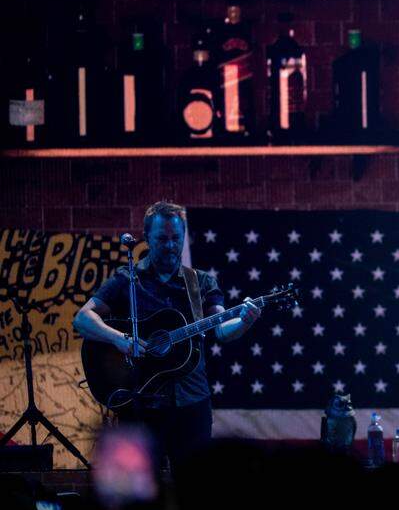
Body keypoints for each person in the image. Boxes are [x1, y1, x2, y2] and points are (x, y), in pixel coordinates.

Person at [74, 201, 261, 472]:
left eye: (176, 238)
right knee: (141, 490)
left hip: (192, 403)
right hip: (141, 404)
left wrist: (244, 321)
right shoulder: (128, 278)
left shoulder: (200, 282)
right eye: (162, 239)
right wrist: (119, 339)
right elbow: (83, 318)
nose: (171, 245)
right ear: (147, 237)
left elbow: (221, 329)